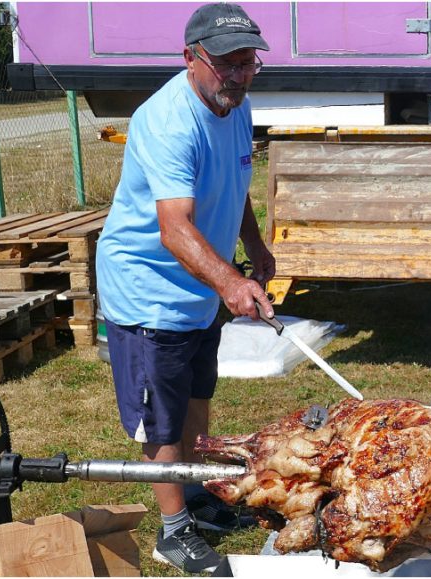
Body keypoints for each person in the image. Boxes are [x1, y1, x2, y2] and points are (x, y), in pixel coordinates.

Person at [95, 3, 275, 573]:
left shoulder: (235, 104)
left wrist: (256, 248)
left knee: (198, 395)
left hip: (200, 286)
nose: (240, 75)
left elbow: (239, 178)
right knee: (163, 419)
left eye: (249, 63)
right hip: (151, 290)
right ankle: (172, 533)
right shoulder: (169, 120)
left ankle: (196, 495)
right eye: (228, 65)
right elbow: (174, 228)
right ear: (190, 59)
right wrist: (231, 282)